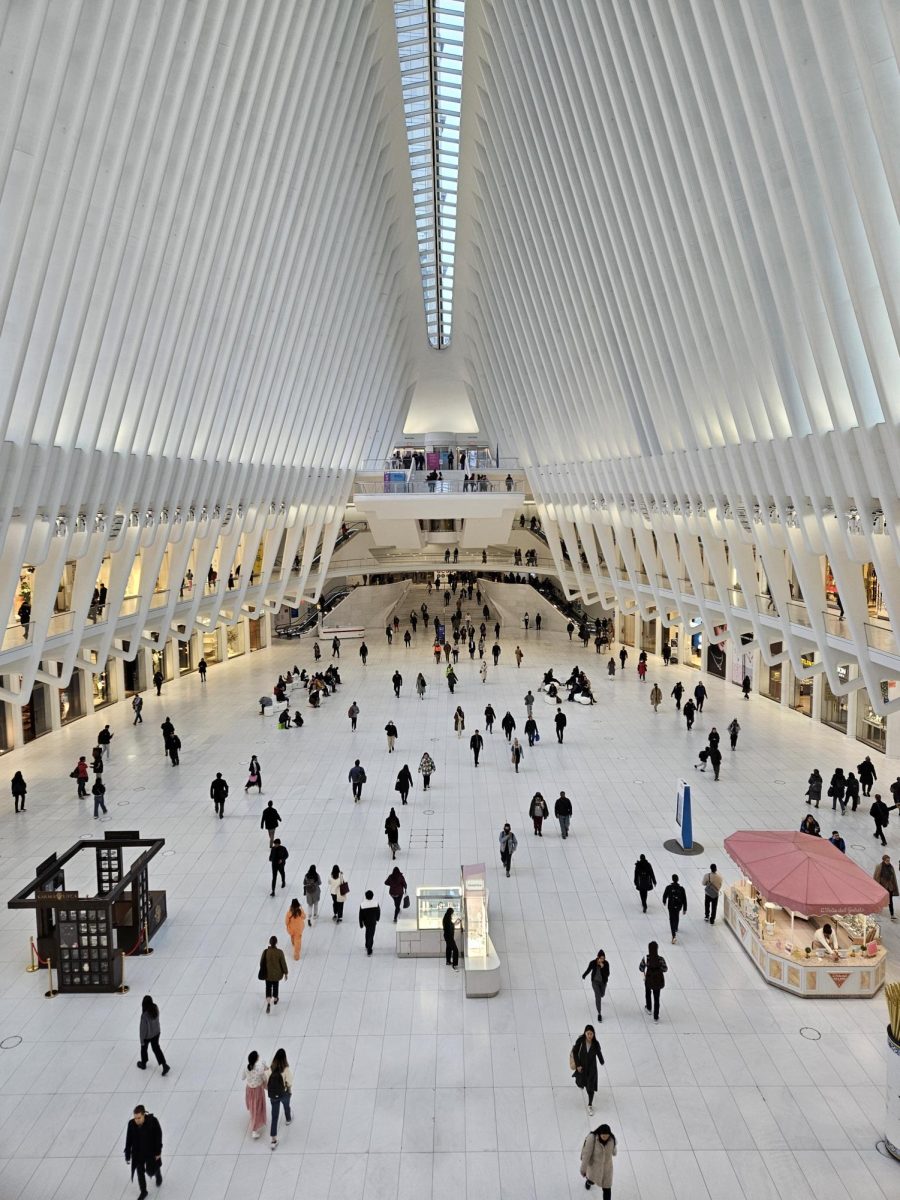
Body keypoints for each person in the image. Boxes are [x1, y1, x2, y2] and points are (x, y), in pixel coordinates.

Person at [124, 1104, 163, 1197]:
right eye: (135, 1118)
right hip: (138, 1153)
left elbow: (158, 1136)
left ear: (144, 1115)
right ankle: (143, 1191)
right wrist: (128, 1154)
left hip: (150, 1151)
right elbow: (128, 1139)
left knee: (151, 1170)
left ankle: (157, 1174)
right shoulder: (131, 1124)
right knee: (139, 1171)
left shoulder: (153, 1121)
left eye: (139, 1118)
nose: (136, 1120)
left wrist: (158, 1151)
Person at [571, 1024, 604, 1115]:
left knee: (590, 1088)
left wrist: (602, 1061)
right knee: (579, 1082)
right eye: (588, 1033)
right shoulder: (581, 1041)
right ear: (585, 1033)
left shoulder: (596, 1044)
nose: (590, 1035)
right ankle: (581, 1084)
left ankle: (590, 1105)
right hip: (581, 1067)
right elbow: (575, 1051)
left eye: (591, 1034)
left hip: (592, 1070)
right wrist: (578, 1065)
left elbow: (599, 1053)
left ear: (593, 1034)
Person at [580, 1122, 616, 1195]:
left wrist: (613, 1149)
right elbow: (586, 1155)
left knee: (607, 1189)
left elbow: (614, 1152)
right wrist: (583, 1169)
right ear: (599, 1134)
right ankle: (588, 1182)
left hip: (607, 1170)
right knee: (592, 1181)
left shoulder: (612, 1140)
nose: (605, 1138)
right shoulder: (592, 1138)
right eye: (603, 1136)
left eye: (607, 1136)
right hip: (594, 1168)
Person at [267, 1047, 293, 1149]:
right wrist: (289, 1090)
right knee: (286, 1106)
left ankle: (273, 1140)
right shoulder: (286, 1069)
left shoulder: (271, 1068)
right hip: (283, 1093)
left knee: (274, 1116)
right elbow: (289, 1081)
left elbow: (267, 1080)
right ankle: (288, 1119)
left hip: (273, 1095)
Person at [137, 994, 169, 1075]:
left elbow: (143, 1029)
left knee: (144, 1048)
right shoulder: (155, 1008)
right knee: (156, 1048)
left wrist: (142, 1040)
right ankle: (164, 1064)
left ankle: (143, 1063)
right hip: (156, 1032)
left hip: (148, 1035)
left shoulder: (144, 1015)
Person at [242, 1050, 269, 1139]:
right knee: (257, 1107)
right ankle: (254, 1129)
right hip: (257, 1090)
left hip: (249, 1089)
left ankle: (254, 1118)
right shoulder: (259, 1068)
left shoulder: (247, 1067)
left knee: (252, 1105)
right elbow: (264, 1078)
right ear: (256, 1058)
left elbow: (243, 1077)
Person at [639, 940, 667, 1021]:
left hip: (649, 980)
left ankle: (649, 1008)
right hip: (658, 981)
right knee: (657, 998)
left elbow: (641, 968)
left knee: (648, 993)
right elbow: (665, 969)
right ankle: (656, 1017)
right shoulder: (660, 959)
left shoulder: (647, 958)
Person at [259, 935, 288, 1013]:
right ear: (276, 943)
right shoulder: (279, 952)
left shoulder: (265, 952)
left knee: (268, 987)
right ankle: (275, 999)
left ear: (270, 942)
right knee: (275, 986)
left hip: (267, 974)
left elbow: (261, 962)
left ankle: (268, 1002)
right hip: (277, 974)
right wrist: (286, 972)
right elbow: (283, 963)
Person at [582, 951, 610, 1022]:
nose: (602, 960)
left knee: (602, 994)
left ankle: (601, 996)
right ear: (598, 957)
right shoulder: (593, 963)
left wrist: (602, 967)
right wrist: (584, 975)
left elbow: (607, 974)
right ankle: (599, 1013)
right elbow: (589, 969)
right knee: (598, 997)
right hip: (595, 982)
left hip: (603, 982)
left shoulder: (606, 964)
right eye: (601, 958)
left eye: (603, 958)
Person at [661, 874, 687, 943]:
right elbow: (684, 899)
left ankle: (673, 935)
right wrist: (685, 908)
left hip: (671, 906)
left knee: (671, 919)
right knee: (677, 916)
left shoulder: (668, 887)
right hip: (678, 906)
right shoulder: (681, 889)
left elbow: (665, 895)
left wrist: (664, 901)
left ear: (672, 879)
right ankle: (676, 927)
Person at [874, 855, 898, 920]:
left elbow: (894, 878)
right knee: (880, 899)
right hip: (882, 886)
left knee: (890, 901)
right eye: (887, 860)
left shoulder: (891, 867)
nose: (888, 862)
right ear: (883, 860)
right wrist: (877, 886)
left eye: (889, 860)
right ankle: (876, 908)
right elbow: (876, 876)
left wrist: (893, 886)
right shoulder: (879, 866)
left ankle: (892, 915)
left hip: (890, 887)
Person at [359, 890, 381, 955]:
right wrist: (377, 918)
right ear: (372, 896)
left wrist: (361, 923)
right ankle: (369, 948)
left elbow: (360, 915)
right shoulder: (376, 903)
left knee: (367, 932)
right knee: (371, 934)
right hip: (373, 921)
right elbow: (378, 912)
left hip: (366, 922)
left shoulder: (362, 905)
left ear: (366, 896)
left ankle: (366, 944)